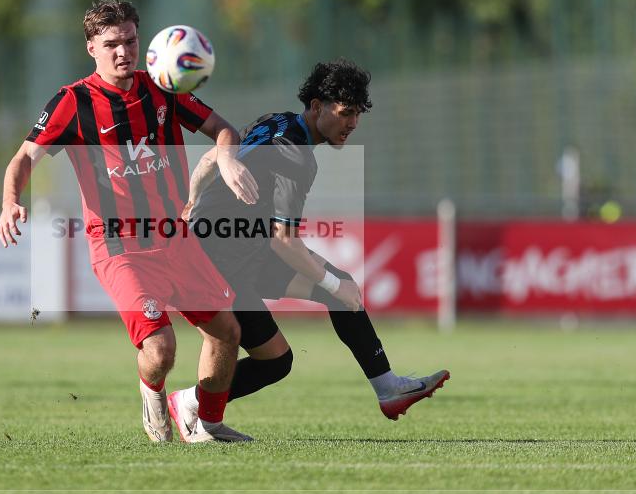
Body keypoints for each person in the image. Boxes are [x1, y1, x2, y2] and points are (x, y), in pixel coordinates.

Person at [0, 0, 260, 443]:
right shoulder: (72, 102)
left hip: (175, 238)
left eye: (131, 41)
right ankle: (153, 396)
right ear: (91, 48)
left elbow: (223, 129)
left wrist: (228, 162)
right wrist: (9, 201)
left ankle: (207, 425)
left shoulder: (163, 86)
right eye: (112, 43)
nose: (123, 51)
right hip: (119, 246)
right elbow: (23, 157)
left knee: (227, 332)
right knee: (161, 348)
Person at [167, 59, 449, 438]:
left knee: (339, 286)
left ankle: (387, 388)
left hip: (240, 250)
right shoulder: (295, 156)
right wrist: (334, 286)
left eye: (358, 114)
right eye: (345, 113)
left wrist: (192, 203)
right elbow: (284, 241)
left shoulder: (276, 121)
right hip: (218, 261)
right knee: (277, 360)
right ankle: (189, 404)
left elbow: (209, 159)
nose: (352, 124)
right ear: (317, 107)